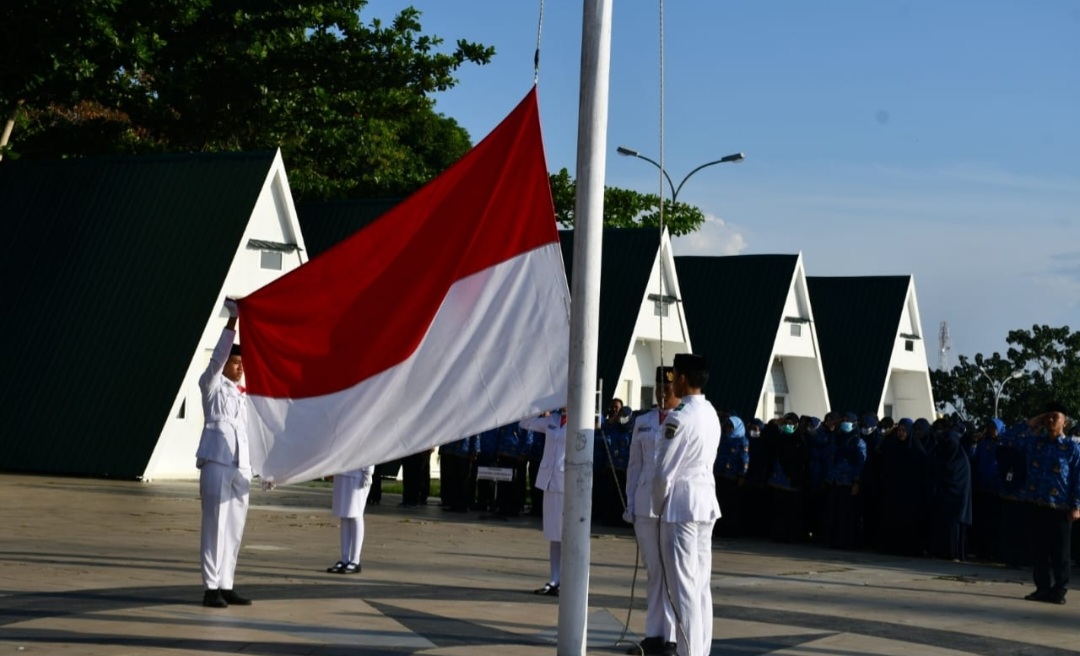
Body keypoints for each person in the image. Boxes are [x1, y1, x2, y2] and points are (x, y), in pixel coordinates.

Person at [652, 353, 722, 656]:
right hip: (705, 502)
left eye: (675, 375)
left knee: (683, 590)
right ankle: (700, 650)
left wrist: (657, 506)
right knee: (700, 587)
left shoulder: (679, 417)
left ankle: (689, 652)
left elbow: (663, 473)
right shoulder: (710, 412)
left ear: (682, 378)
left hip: (681, 507)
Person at [195, 299, 253, 608]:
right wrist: (234, 321)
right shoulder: (212, 385)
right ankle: (211, 587)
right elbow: (218, 357)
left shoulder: (245, 396)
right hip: (217, 460)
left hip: (241, 466)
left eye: (242, 364)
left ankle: (226, 583)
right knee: (215, 525)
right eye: (235, 363)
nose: (240, 368)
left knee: (234, 528)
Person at [623, 367, 680, 656]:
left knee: (671, 572)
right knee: (654, 571)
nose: (662, 394)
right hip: (645, 503)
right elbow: (635, 464)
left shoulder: (683, 420)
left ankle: (671, 637)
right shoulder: (643, 421)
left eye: (667, 390)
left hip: (671, 505)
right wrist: (630, 501)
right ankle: (653, 634)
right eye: (658, 389)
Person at [1017, 402, 1080, 604]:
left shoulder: (1072, 447)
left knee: (1061, 554)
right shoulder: (1036, 443)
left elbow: (1078, 477)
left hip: (1061, 508)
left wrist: (1077, 505)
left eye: (1055, 416)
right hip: (1037, 504)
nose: (1051, 420)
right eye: (1048, 416)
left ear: (1065, 422)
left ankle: (1059, 591)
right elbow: (1012, 438)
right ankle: (1042, 589)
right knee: (1040, 552)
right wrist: (1035, 420)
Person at [520, 408, 568, 596]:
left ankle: (566, 581)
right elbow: (525, 423)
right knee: (553, 535)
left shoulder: (580, 419)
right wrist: (540, 408)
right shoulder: (552, 420)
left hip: (566, 483)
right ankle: (554, 579)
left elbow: (598, 422)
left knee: (566, 535)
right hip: (549, 481)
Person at [326, 465, 375, 574]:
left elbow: (369, 453)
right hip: (341, 471)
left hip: (358, 473)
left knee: (356, 514)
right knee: (344, 515)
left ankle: (355, 560)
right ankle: (344, 558)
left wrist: (368, 472)